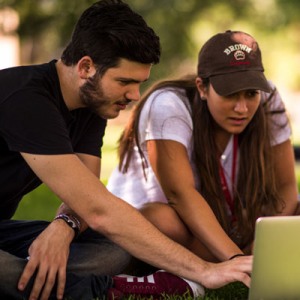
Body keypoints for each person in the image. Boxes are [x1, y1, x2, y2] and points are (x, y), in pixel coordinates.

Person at [0, 1, 252, 299]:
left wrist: (63, 227)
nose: (134, 95)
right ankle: (112, 290)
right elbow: (99, 210)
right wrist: (204, 270)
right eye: (125, 82)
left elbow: (85, 198)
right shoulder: (26, 99)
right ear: (86, 67)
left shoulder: (91, 105)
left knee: (113, 250)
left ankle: (33, 277)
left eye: (139, 83)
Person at [107, 30, 298, 263]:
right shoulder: (167, 104)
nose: (242, 108)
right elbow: (181, 195)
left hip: (228, 225)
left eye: (250, 94)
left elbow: (286, 185)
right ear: (202, 88)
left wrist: (267, 242)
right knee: (161, 218)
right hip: (164, 227)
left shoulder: (268, 98)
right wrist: (238, 260)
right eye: (230, 94)